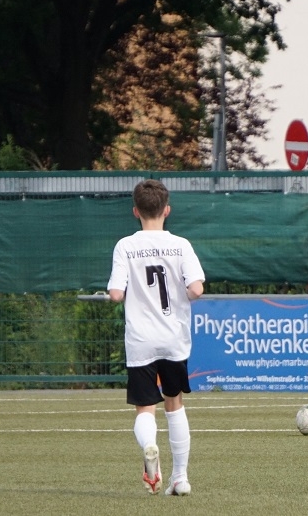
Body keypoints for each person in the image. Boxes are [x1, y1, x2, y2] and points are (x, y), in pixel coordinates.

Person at [108, 179, 205, 496]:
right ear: (167, 210)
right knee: (174, 404)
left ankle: (150, 446)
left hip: (141, 340)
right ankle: (180, 478)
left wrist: (125, 294)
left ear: (135, 211)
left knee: (145, 407)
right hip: (174, 337)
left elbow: (116, 293)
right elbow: (196, 289)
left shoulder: (125, 246)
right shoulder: (181, 245)